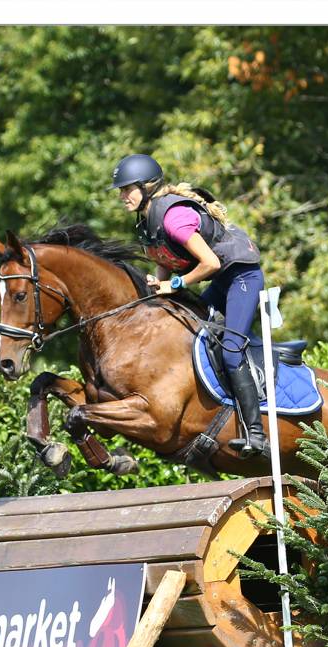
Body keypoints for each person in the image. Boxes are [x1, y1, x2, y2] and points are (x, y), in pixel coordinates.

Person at [110, 153, 269, 458]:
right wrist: (158, 291)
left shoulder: (173, 216)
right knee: (184, 332)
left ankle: (256, 432)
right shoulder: (145, 221)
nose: (122, 196)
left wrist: (175, 285)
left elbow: (209, 262)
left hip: (240, 278)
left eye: (126, 189)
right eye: (120, 190)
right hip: (219, 280)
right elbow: (163, 262)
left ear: (146, 187)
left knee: (231, 350)